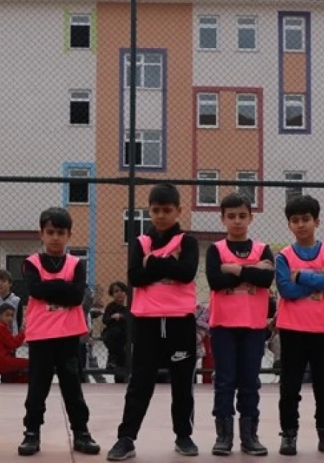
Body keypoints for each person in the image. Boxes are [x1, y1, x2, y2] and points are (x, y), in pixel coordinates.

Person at [107, 184, 200, 461]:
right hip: (146, 321)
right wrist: (165, 263)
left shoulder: (188, 242)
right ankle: (126, 438)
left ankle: (184, 435)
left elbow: (187, 273)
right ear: (149, 211)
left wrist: (153, 264)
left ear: (178, 211)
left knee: (182, 381)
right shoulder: (140, 242)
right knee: (140, 381)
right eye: (155, 210)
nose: (160, 216)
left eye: (167, 210)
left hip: (180, 321)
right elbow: (135, 277)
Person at [17, 207, 100, 457]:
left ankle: (81, 432)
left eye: (60, 232)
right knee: (38, 387)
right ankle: (32, 433)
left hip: (69, 335)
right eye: (50, 232)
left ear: (69, 235)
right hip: (42, 335)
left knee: (72, 385)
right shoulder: (31, 263)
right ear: (41, 234)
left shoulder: (76, 264)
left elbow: (76, 297)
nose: (55, 237)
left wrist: (50, 287)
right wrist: (60, 286)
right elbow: (34, 290)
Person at [204, 193, 275, 457]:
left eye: (242, 216)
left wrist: (234, 270)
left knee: (249, 381)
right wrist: (251, 271)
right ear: (222, 218)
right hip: (223, 325)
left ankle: (249, 436)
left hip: (254, 326)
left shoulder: (262, 248)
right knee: (224, 380)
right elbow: (215, 281)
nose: (237, 221)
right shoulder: (216, 249)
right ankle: (224, 436)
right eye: (231, 216)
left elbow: (267, 280)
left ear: (251, 218)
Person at [274, 195, 324, 456]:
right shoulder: (284, 255)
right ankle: (289, 434)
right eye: (295, 221)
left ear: (316, 221)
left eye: (306, 219)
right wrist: (318, 279)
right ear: (289, 225)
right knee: (290, 385)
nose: (301, 225)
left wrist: (302, 275)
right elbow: (286, 289)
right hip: (293, 329)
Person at [0, 304, 28, 384]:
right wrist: (23, 332)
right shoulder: (1, 328)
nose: (10, 318)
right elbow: (14, 344)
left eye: (12, 315)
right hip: (2, 361)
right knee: (29, 363)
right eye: (7, 315)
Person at [101, 282, 129, 384]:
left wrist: (122, 317)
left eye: (122, 291)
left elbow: (132, 319)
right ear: (112, 294)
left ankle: (114, 362)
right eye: (116, 291)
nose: (119, 293)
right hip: (113, 335)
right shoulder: (111, 306)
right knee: (115, 334)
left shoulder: (129, 306)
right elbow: (105, 320)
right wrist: (113, 317)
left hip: (126, 336)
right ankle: (112, 360)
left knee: (123, 357)